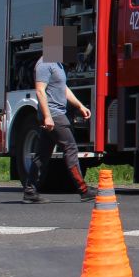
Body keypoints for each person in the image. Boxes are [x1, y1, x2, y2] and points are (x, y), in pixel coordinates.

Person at [22, 26, 94, 204]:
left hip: (56, 113)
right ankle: (83, 189)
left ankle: (30, 191)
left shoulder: (57, 64)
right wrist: (47, 116)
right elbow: (40, 91)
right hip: (54, 114)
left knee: (42, 154)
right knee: (71, 148)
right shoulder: (45, 63)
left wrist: (79, 106)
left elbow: (64, 89)